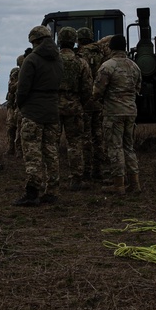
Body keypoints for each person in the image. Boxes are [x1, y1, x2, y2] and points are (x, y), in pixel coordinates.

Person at [12, 26, 63, 206]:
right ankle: (52, 191)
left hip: (33, 111)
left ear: (35, 41)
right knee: (51, 152)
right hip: (52, 110)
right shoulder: (58, 60)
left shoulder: (31, 59)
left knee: (33, 153)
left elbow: (22, 89)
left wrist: (22, 105)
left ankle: (32, 193)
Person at [93, 34, 142, 196]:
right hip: (131, 112)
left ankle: (118, 184)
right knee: (129, 147)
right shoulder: (134, 66)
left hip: (114, 113)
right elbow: (138, 89)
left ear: (111, 48)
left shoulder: (107, 66)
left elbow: (97, 92)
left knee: (115, 148)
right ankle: (134, 183)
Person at [57, 27, 93, 190]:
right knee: (75, 143)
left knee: (50, 144)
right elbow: (87, 88)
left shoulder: (52, 61)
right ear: (74, 42)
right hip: (74, 107)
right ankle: (76, 179)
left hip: (53, 107)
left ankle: (50, 178)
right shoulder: (81, 62)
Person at [76, 27, 107, 182]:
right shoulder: (102, 54)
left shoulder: (80, 55)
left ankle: (86, 171)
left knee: (85, 136)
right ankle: (99, 170)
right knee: (99, 135)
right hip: (100, 100)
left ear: (79, 39)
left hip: (86, 101)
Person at [4, 50, 31, 157]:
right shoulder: (15, 73)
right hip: (12, 104)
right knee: (11, 127)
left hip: (22, 105)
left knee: (21, 129)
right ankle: (11, 148)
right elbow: (11, 88)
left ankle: (20, 151)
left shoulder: (30, 73)